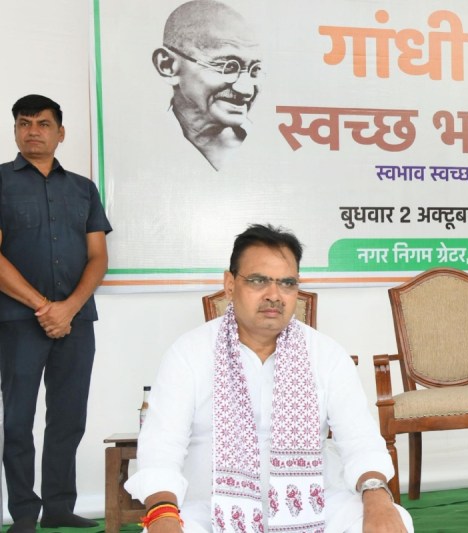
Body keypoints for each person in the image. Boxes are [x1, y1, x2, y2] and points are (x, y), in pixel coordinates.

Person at [124, 224, 412, 533]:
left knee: (393, 520)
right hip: (212, 509)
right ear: (230, 284)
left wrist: (377, 497)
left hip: (313, 506)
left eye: (287, 283)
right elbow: (162, 446)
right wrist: (164, 515)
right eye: (259, 280)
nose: (274, 295)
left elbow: (360, 439)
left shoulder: (325, 354)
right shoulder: (189, 353)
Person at [0, 94, 112, 533]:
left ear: (60, 133)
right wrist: (44, 307)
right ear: (15, 130)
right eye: (24, 123)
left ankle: (60, 506)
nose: (33, 131)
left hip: (77, 322)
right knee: (18, 420)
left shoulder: (83, 189)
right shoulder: (0, 181)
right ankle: (25, 513)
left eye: (43, 123)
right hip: (17, 322)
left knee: (68, 417)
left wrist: (69, 308)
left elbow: (98, 257)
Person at [152, 0, 263, 171]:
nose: (246, 90)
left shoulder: (265, 144)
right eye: (227, 67)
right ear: (167, 66)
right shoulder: (147, 139)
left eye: (254, 70)